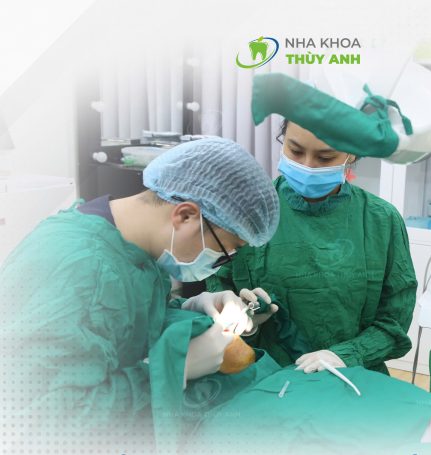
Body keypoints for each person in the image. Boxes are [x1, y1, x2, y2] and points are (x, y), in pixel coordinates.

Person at [0, 137, 280, 448]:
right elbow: (41, 425)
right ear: (185, 216)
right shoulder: (80, 269)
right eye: (225, 252)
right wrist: (173, 370)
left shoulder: (129, 246)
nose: (220, 263)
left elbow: (116, 323)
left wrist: (189, 308)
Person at [206, 120, 418, 375]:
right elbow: (217, 296)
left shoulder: (380, 220)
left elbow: (394, 323)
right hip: (263, 375)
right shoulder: (248, 212)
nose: (307, 166)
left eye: (325, 157)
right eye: (295, 151)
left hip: (350, 377)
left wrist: (346, 354)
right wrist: (243, 320)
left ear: (352, 153)